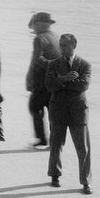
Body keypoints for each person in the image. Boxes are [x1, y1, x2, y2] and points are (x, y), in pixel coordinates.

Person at [45, 33, 92, 194]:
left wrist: (62, 82)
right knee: (56, 144)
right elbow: (49, 85)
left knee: (83, 148)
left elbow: (83, 85)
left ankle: (86, 181)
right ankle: (55, 175)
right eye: (61, 45)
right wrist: (66, 78)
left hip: (78, 111)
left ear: (74, 45)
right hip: (58, 109)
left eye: (65, 45)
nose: (62, 48)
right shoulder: (53, 64)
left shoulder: (84, 64)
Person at [27, 12, 60, 148]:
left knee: (34, 107)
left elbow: (37, 60)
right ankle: (55, 141)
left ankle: (42, 139)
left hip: (41, 82)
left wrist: (29, 78)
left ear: (39, 24)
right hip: (56, 81)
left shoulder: (39, 39)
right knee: (52, 110)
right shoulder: (56, 36)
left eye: (34, 25)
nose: (33, 28)